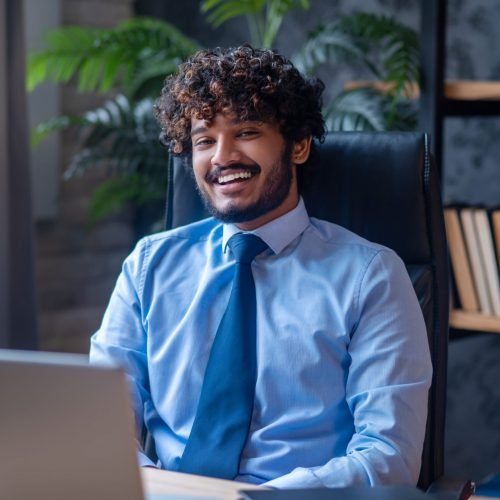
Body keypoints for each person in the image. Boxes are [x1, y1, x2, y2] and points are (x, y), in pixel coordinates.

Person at [90, 44, 432, 489]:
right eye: (204, 140)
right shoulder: (148, 268)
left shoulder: (371, 276)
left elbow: (388, 458)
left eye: (247, 132)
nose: (222, 156)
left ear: (299, 145)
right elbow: (101, 426)